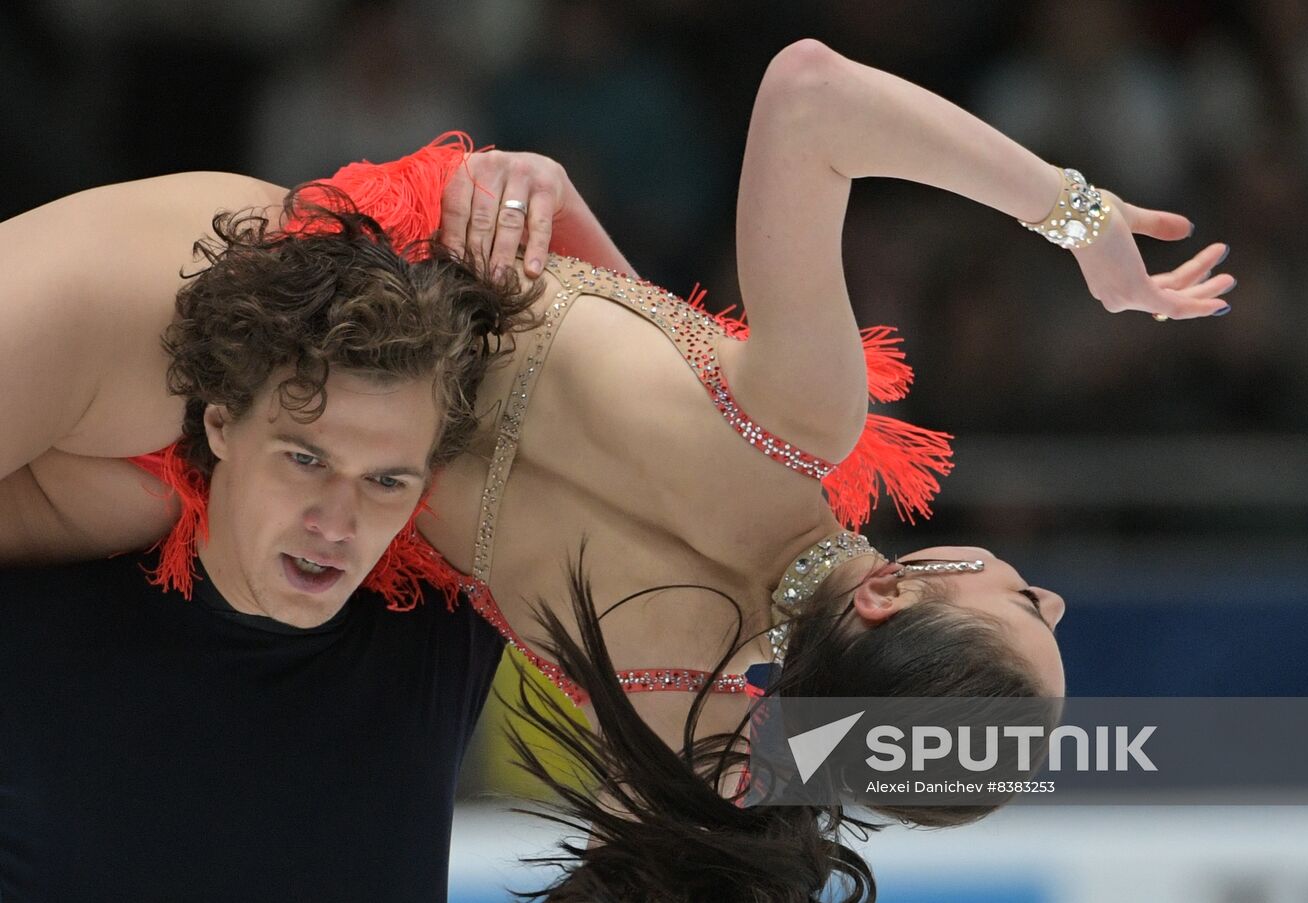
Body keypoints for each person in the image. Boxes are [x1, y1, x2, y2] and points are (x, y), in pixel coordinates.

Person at [0, 41, 1236, 900]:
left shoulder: (796, 422)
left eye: (1024, 609)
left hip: (238, 324)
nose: (1051, 594)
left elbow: (808, 96)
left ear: (884, 598)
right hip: (258, 458)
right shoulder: (688, 739)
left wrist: (1076, 218)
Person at [0, 198, 536, 901]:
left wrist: (542, 193)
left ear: (426, 482)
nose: (338, 522)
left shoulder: (441, 618)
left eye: (384, 480)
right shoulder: (38, 621)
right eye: (305, 459)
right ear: (220, 423)